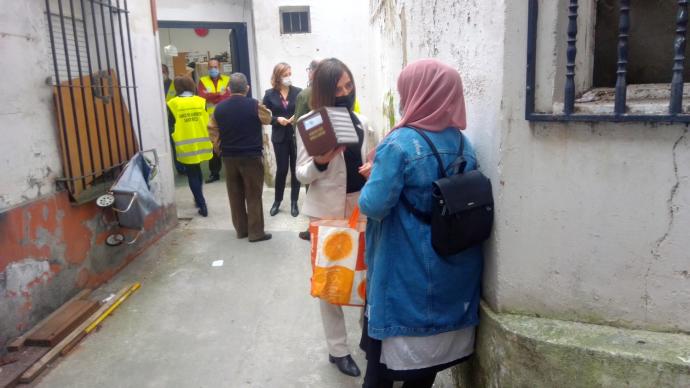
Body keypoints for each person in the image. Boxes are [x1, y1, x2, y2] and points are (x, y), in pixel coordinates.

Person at [357, 58, 482, 388]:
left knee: (379, 374)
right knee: (422, 377)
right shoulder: (462, 143)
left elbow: (373, 204)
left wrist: (374, 177)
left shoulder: (398, 145)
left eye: (403, 91)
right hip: (450, 273)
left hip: (403, 274)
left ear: (418, 93)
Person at [295, 58, 372, 378]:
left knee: (365, 280)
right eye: (337, 88)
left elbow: (372, 158)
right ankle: (338, 350)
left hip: (361, 208)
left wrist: (373, 169)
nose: (344, 92)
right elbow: (301, 174)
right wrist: (321, 163)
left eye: (348, 85)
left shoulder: (362, 121)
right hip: (325, 213)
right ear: (324, 91)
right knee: (330, 284)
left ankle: (370, 339)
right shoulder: (311, 123)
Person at [207, 73, 273, 243]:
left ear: (228, 89)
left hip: (229, 158)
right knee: (253, 194)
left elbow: (212, 130)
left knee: (235, 195)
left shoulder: (218, 109)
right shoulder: (254, 105)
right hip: (251, 156)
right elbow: (267, 118)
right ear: (247, 88)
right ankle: (256, 233)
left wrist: (220, 148)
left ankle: (241, 231)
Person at [167, 76, 215, 217]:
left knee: (192, 173)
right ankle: (198, 198)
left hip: (185, 144)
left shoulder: (172, 103)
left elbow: (171, 127)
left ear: (177, 87)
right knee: (198, 170)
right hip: (201, 142)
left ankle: (202, 204)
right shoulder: (201, 101)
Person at [262, 62, 302, 217]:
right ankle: (277, 201)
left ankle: (294, 202)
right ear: (277, 77)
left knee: (295, 170)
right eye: (285, 75)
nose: (288, 77)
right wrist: (276, 119)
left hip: (295, 135)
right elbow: (264, 115)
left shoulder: (298, 92)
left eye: (290, 74)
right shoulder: (269, 94)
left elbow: (304, 110)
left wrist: (295, 117)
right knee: (282, 169)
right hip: (279, 136)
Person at [293, 58, 320, 241]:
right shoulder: (335, 90)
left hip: (311, 146)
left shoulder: (305, 94)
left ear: (312, 72)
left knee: (312, 189)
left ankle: (313, 230)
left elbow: (299, 123)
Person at [198, 59, 231, 183]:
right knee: (213, 146)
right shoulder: (203, 81)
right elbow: (202, 97)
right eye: (211, 67)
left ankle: (231, 172)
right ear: (208, 68)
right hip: (211, 120)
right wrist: (219, 94)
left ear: (220, 67)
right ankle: (214, 173)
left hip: (226, 117)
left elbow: (228, 96)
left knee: (228, 144)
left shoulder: (228, 80)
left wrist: (211, 95)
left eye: (215, 67)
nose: (213, 69)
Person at [163, 65, 185, 175]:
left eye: (163, 71)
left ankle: (181, 168)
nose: (162, 73)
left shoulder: (173, 84)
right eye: (160, 71)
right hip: (160, 120)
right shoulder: (154, 84)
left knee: (176, 144)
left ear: (167, 72)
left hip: (173, 119)